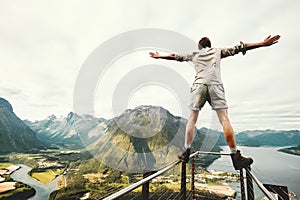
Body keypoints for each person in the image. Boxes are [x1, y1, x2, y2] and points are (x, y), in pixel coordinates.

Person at [149, 35, 280, 170]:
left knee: (192, 120)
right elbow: (240, 47)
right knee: (224, 120)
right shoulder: (217, 51)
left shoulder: (195, 55)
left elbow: (175, 56)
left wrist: (160, 56)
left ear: (199, 47)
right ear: (209, 46)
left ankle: (185, 151)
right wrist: (262, 43)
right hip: (215, 86)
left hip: (198, 86)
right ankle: (235, 156)